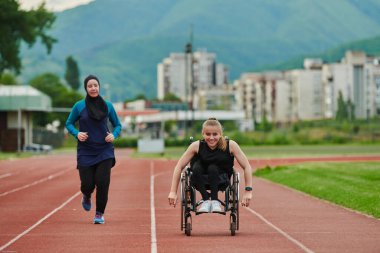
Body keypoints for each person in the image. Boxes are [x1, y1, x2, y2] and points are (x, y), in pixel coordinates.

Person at [66, 74, 121, 224]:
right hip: (85, 151)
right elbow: (69, 123)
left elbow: (118, 125)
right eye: (90, 86)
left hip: (104, 150)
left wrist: (114, 135)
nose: (93, 88)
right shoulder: (79, 106)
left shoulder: (108, 106)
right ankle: (86, 194)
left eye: (95, 85)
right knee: (87, 184)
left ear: (99, 87)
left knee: (102, 183)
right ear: (86, 88)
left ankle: (99, 214)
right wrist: (77, 133)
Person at [168, 118, 253, 213]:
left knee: (213, 168)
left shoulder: (231, 146)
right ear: (203, 134)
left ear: (220, 134)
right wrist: (173, 192)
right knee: (196, 167)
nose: (211, 138)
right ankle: (206, 200)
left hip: (222, 180)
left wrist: (248, 191)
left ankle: (215, 201)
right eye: (208, 134)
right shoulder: (196, 146)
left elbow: (247, 166)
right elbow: (179, 166)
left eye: (215, 134)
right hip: (200, 179)